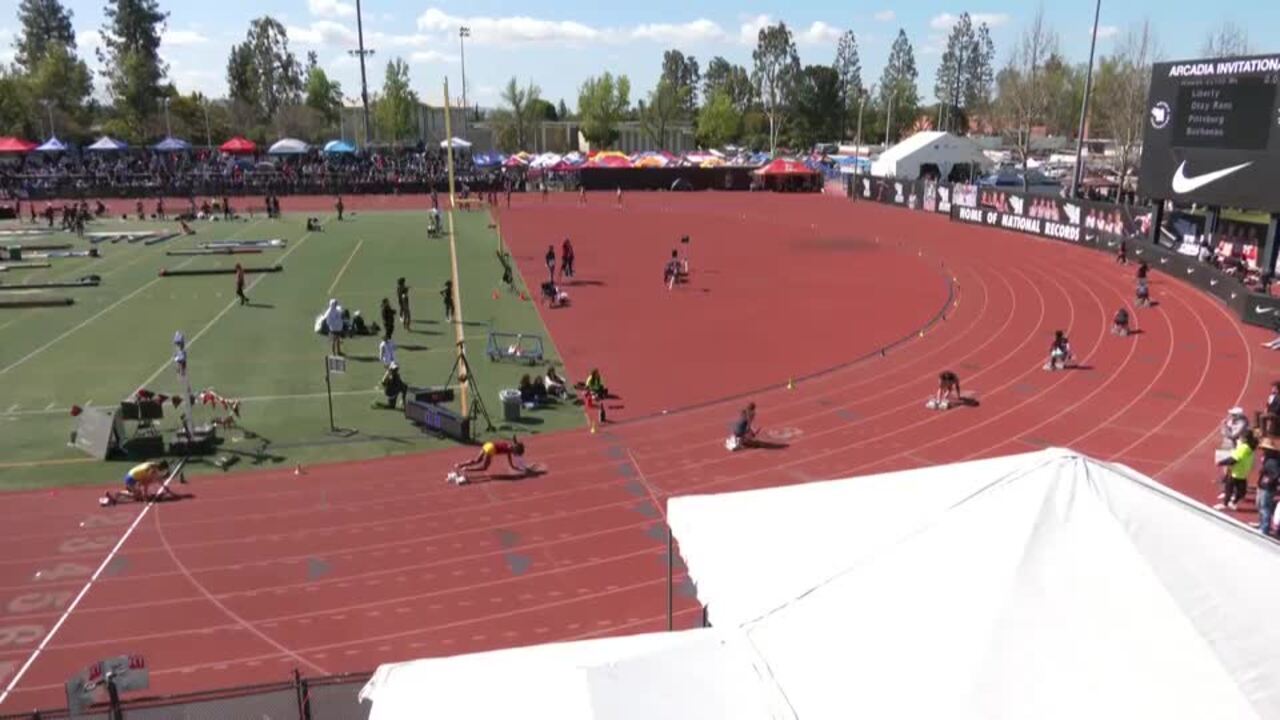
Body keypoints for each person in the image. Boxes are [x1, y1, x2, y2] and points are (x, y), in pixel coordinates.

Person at [450, 437, 530, 484]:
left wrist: (512, 465)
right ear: (516, 449)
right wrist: (513, 466)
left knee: (477, 460)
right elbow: (509, 456)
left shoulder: (509, 446)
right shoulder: (510, 449)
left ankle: (460, 465)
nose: (516, 454)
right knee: (484, 467)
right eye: (517, 452)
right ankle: (466, 469)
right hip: (491, 449)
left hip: (488, 444)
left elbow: (509, 457)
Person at [1215, 431, 1257, 512]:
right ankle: (1225, 504)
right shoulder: (1249, 446)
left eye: (1241, 437)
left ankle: (1231, 502)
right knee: (1230, 490)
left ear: (1245, 439)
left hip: (1239, 473)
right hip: (1236, 473)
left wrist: (1220, 462)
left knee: (1240, 492)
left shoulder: (1244, 447)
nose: (1239, 438)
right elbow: (1234, 458)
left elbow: (1233, 460)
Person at [102, 460, 175, 506]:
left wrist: (165, 487)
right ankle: (118, 494)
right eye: (163, 470)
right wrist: (145, 498)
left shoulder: (153, 464)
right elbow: (146, 484)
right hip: (131, 479)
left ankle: (130, 490)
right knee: (137, 497)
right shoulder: (152, 471)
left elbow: (157, 479)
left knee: (146, 483)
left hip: (132, 475)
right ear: (161, 468)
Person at [1257, 437, 1280, 535]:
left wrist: (1268, 481)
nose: (1263, 451)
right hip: (1264, 487)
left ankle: (1264, 528)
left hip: (1267, 488)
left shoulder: (1272, 461)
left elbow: (1276, 474)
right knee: (1261, 506)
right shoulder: (1269, 459)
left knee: (1265, 507)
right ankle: (1262, 524)